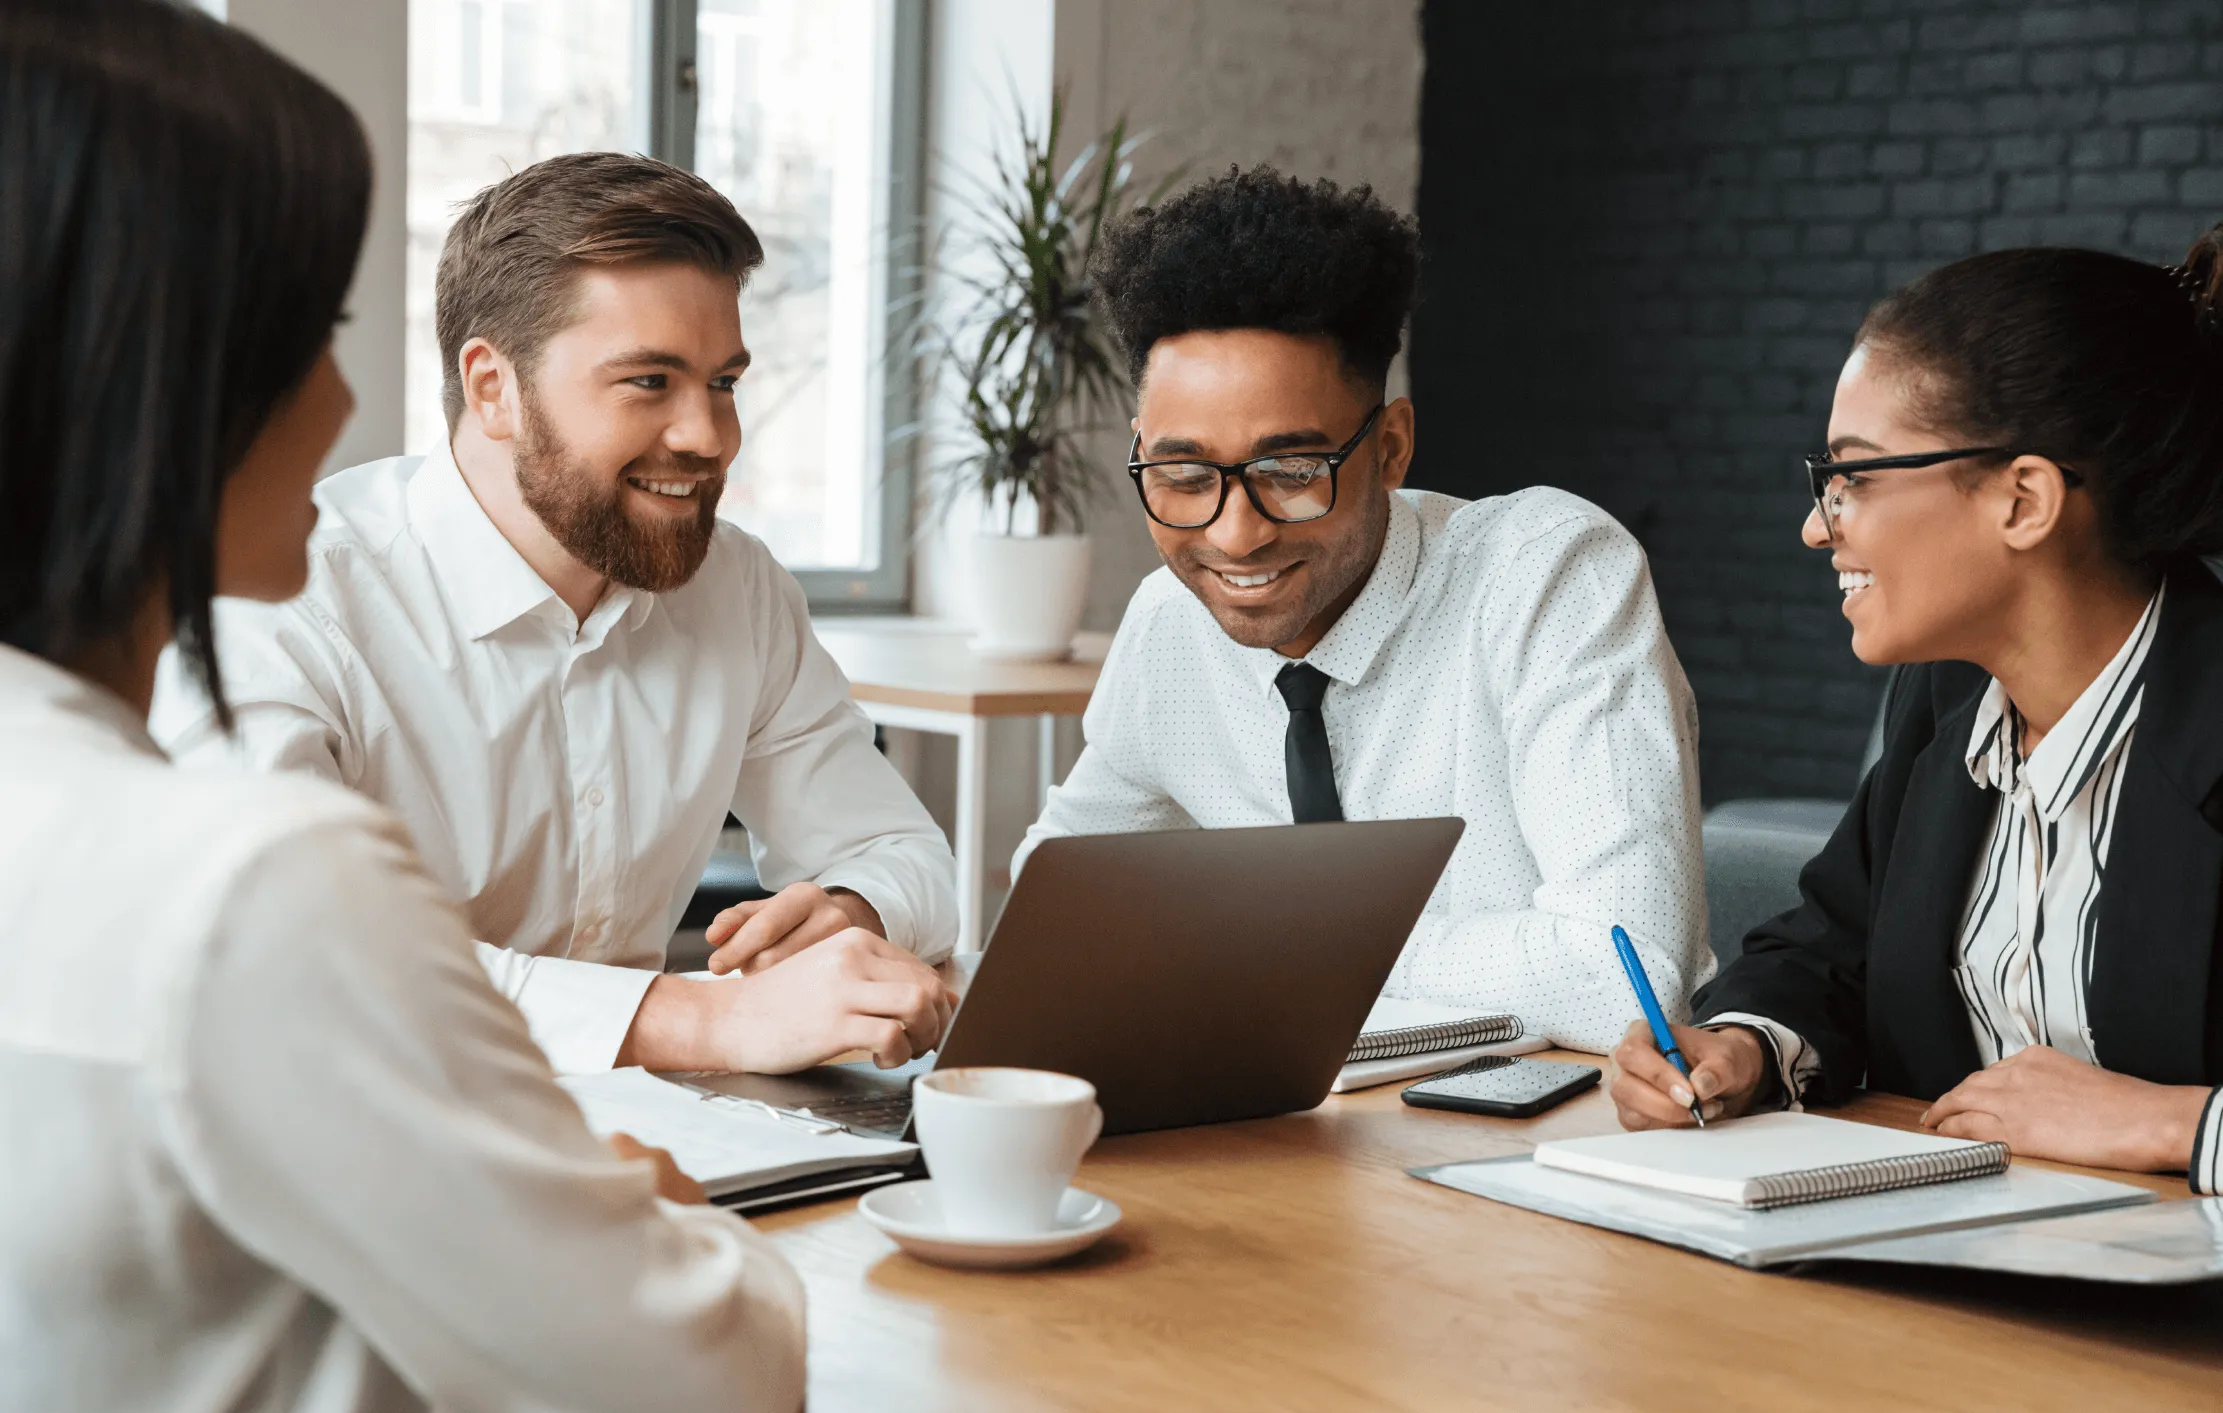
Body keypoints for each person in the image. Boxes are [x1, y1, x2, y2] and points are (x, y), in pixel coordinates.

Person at [0, 2, 806, 1413]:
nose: (355, 400)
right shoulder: (248, 882)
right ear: (167, 384)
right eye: (313, 334)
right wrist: (654, 1218)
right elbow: (695, 1398)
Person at [151, 150, 956, 1077]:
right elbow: (288, 961)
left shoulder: (737, 587)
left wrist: (852, 910)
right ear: (494, 388)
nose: (708, 437)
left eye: (723, 382)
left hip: (652, 1142)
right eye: (649, 382)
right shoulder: (285, 594)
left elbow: (901, 852)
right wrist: (697, 1021)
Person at [1013, 167, 1711, 1051]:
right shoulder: (1169, 622)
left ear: (1388, 448)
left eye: (1291, 473)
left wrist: (1275, 940)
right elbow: (1053, 896)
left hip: (1553, 1128)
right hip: (1297, 1125)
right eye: (1185, 477)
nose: (1234, 536)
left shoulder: (1545, 574)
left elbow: (1626, 976)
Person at [1608, 231, 2223, 1195]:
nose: (1817, 524)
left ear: (2022, 499)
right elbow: (1830, 948)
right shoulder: (1948, 697)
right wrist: (1743, 1047)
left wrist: (2173, 1122)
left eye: (1852, 476)